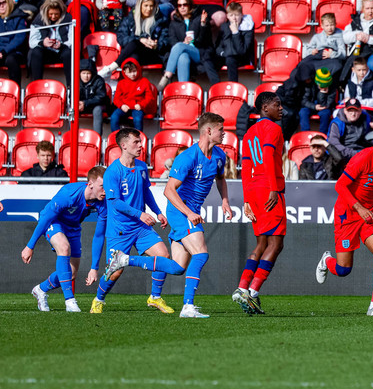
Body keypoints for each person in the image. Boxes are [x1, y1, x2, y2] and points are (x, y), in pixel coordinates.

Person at [315, 123, 373, 316]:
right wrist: (358, 207)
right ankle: (327, 260)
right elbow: (340, 186)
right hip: (347, 213)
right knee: (343, 269)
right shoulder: (363, 157)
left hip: (368, 213)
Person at [91, 128, 179, 314]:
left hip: (140, 227)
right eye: (136, 142)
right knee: (115, 271)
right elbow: (115, 203)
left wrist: (158, 212)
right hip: (120, 229)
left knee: (163, 256)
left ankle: (155, 297)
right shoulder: (112, 172)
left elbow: (146, 191)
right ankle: (98, 299)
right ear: (123, 145)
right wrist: (140, 214)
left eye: (140, 142)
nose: (141, 146)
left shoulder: (141, 167)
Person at [162, 113, 232, 317]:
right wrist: (189, 213)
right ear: (208, 131)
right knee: (201, 254)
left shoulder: (219, 156)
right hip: (180, 210)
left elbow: (220, 179)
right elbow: (169, 190)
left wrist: (225, 201)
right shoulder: (187, 157)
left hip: (191, 211)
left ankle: (125, 260)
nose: (224, 133)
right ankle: (188, 306)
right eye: (220, 129)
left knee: (177, 267)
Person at [22, 166, 107, 312]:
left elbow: (99, 235)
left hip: (73, 227)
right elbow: (46, 218)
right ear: (90, 184)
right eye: (102, 186)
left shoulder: (103, 203)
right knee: (64, 247)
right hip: (54, 222)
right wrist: (30, 246)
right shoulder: (69, 194)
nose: (105, 190)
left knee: (71, 272)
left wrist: (94, 268)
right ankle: (70, 301)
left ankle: (40, 290)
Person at [232, 92, 286, 315]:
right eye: (277, 104)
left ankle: (242, 287)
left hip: (254, 189)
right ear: (265, 108)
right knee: (276, 243)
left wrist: (246, 199)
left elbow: (245, 167)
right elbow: (268, 155)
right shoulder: (273, 128)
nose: (281, 108)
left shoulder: (249, 133)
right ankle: (252, 292)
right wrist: (273, 187)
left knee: (262, 243)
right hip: (269, 188)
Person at [99, 0, 170, 78]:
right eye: (146, 5)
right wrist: (140, 40)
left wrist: (156, 45)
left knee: (135, 45)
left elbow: (166, 40)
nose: (149, 9)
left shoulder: (161, 20)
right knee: (134, 50)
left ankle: (110, 69)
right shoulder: (130, 19)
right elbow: (121, 37)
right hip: (134, 53)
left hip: (152, 54)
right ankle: (133, 83)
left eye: (151, 6)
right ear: (140, 6)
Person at [157, 0, 218, 90]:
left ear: (190, 6)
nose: (182, 7)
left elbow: (204, 40)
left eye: (184, 5)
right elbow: (173, 42)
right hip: (184, 52)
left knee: (179, 46)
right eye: (179, 5)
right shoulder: (174, 23)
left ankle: (167, 75)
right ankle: (183, 89)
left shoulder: (199, 18)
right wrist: (184, 42)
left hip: (200, 52)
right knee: (183, 57)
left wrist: (203, 24)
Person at [28, 0, 71, 85]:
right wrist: (43, 42)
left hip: (61, 51)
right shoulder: (38, 20)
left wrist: (62, 45)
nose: (53, 17)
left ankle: (70, 86)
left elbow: (72, 40)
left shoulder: (68, 19)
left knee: (68, 53)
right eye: (50, 14)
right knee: (36, 52)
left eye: (56, 14)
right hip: (46, 51)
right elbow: (32, 42)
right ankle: (37, 84)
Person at [110, 59, 157, 132]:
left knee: (138, 119)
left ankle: (138, 137)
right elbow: (116, 99)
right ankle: (116, 137)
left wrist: (141, 105)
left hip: (137, 107)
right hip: (125, 106)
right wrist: (121, 105)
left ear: (138, 70)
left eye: (134, 71)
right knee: (114, 117)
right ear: (124, 72)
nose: (133, 74)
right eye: (129, 72)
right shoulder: (121, 83)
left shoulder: (144, 81)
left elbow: (149, 97)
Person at [214, 1, 254, 83]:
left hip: (242, 58)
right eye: (231, 15)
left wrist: (236, 33)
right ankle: (214, 84)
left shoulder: (248, 27)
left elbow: (242, 51)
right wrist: (223, 53)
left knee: (230, 59)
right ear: (227, 16)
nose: (234, 18)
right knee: (209, 57)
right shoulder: (224, 26)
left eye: (236, 15)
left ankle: (233, 85)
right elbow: (218, 46)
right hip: (226, 55)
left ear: (241, 15)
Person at [275, 61, 315, 140]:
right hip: (281, 103)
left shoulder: (306, 84)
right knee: (288, 115)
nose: (309, 80)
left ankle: (286, 139)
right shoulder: (293, 83)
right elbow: (287, 99)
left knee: (296, 117)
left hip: (292, 105)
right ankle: (282, 139)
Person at [301, 12, 346, 79]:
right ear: (322, 26)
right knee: (303, 65)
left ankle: (323, 81)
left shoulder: (339, 36)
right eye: (327, 26)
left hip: (331, 57)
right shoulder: (316, 37)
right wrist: (311, 51)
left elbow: (343, 54)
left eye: (332, 25)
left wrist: (331, 54)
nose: (330, 28)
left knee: (337, 66)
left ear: (335, 24)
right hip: (317, 56)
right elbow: (307, 51)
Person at [0, 0, 27, 86]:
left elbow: (19, 38)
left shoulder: (18, 17)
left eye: (4, 3)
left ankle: (15, 90)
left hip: (14, 52)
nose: (1, 6)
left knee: (11, 60)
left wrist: (4, 51)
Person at [78, 58, 108, 136]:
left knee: (97, 110)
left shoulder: (99, 80)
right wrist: (78, 104)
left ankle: (97, 137)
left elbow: (101, 97)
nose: (86, 76)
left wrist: (85, 103)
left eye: (88, 73)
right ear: (80, 73)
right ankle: (71, 136)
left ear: (92, 73)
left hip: (96, 105)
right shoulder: (75, 81)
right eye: (83, 73)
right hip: (82, 106)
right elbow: (71, 96)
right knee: (73, 109)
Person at [299, 67, 334, 133]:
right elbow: (304, 101)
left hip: (323, 107)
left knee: (325, 113)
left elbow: (327, 104)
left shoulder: (332, 88)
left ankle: (322, 135)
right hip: (311, 105)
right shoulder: (309, 85)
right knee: (303, 112)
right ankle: (305, 133)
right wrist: (314, 107)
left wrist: (322, 93)